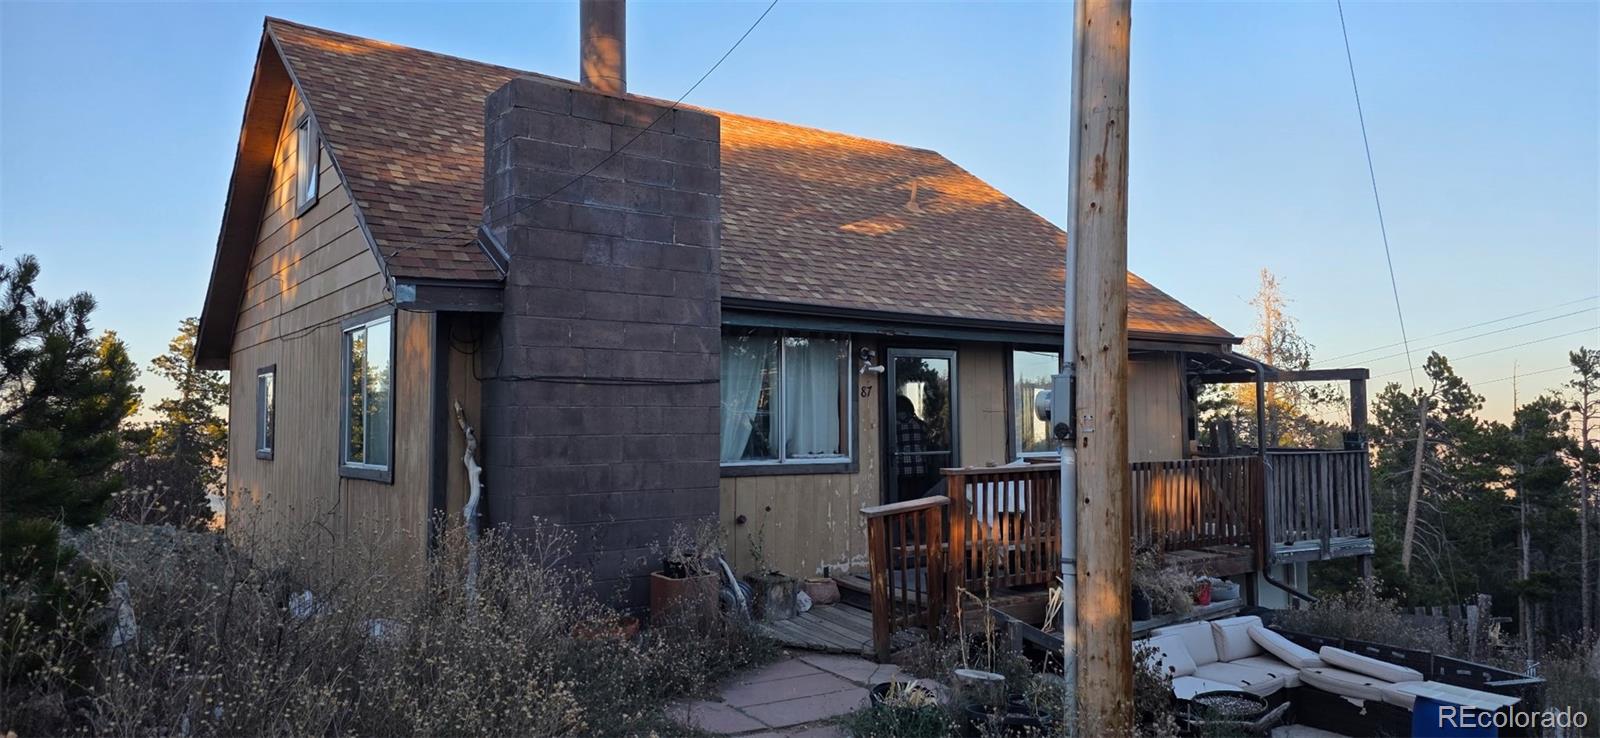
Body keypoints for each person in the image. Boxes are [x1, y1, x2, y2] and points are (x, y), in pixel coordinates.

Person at [896, 394, 932, 498]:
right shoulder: (920, 425)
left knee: (903, 498)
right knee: (919, 498)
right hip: (919, 467)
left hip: (900, 469)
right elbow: (928, 441)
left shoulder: (891, 425)